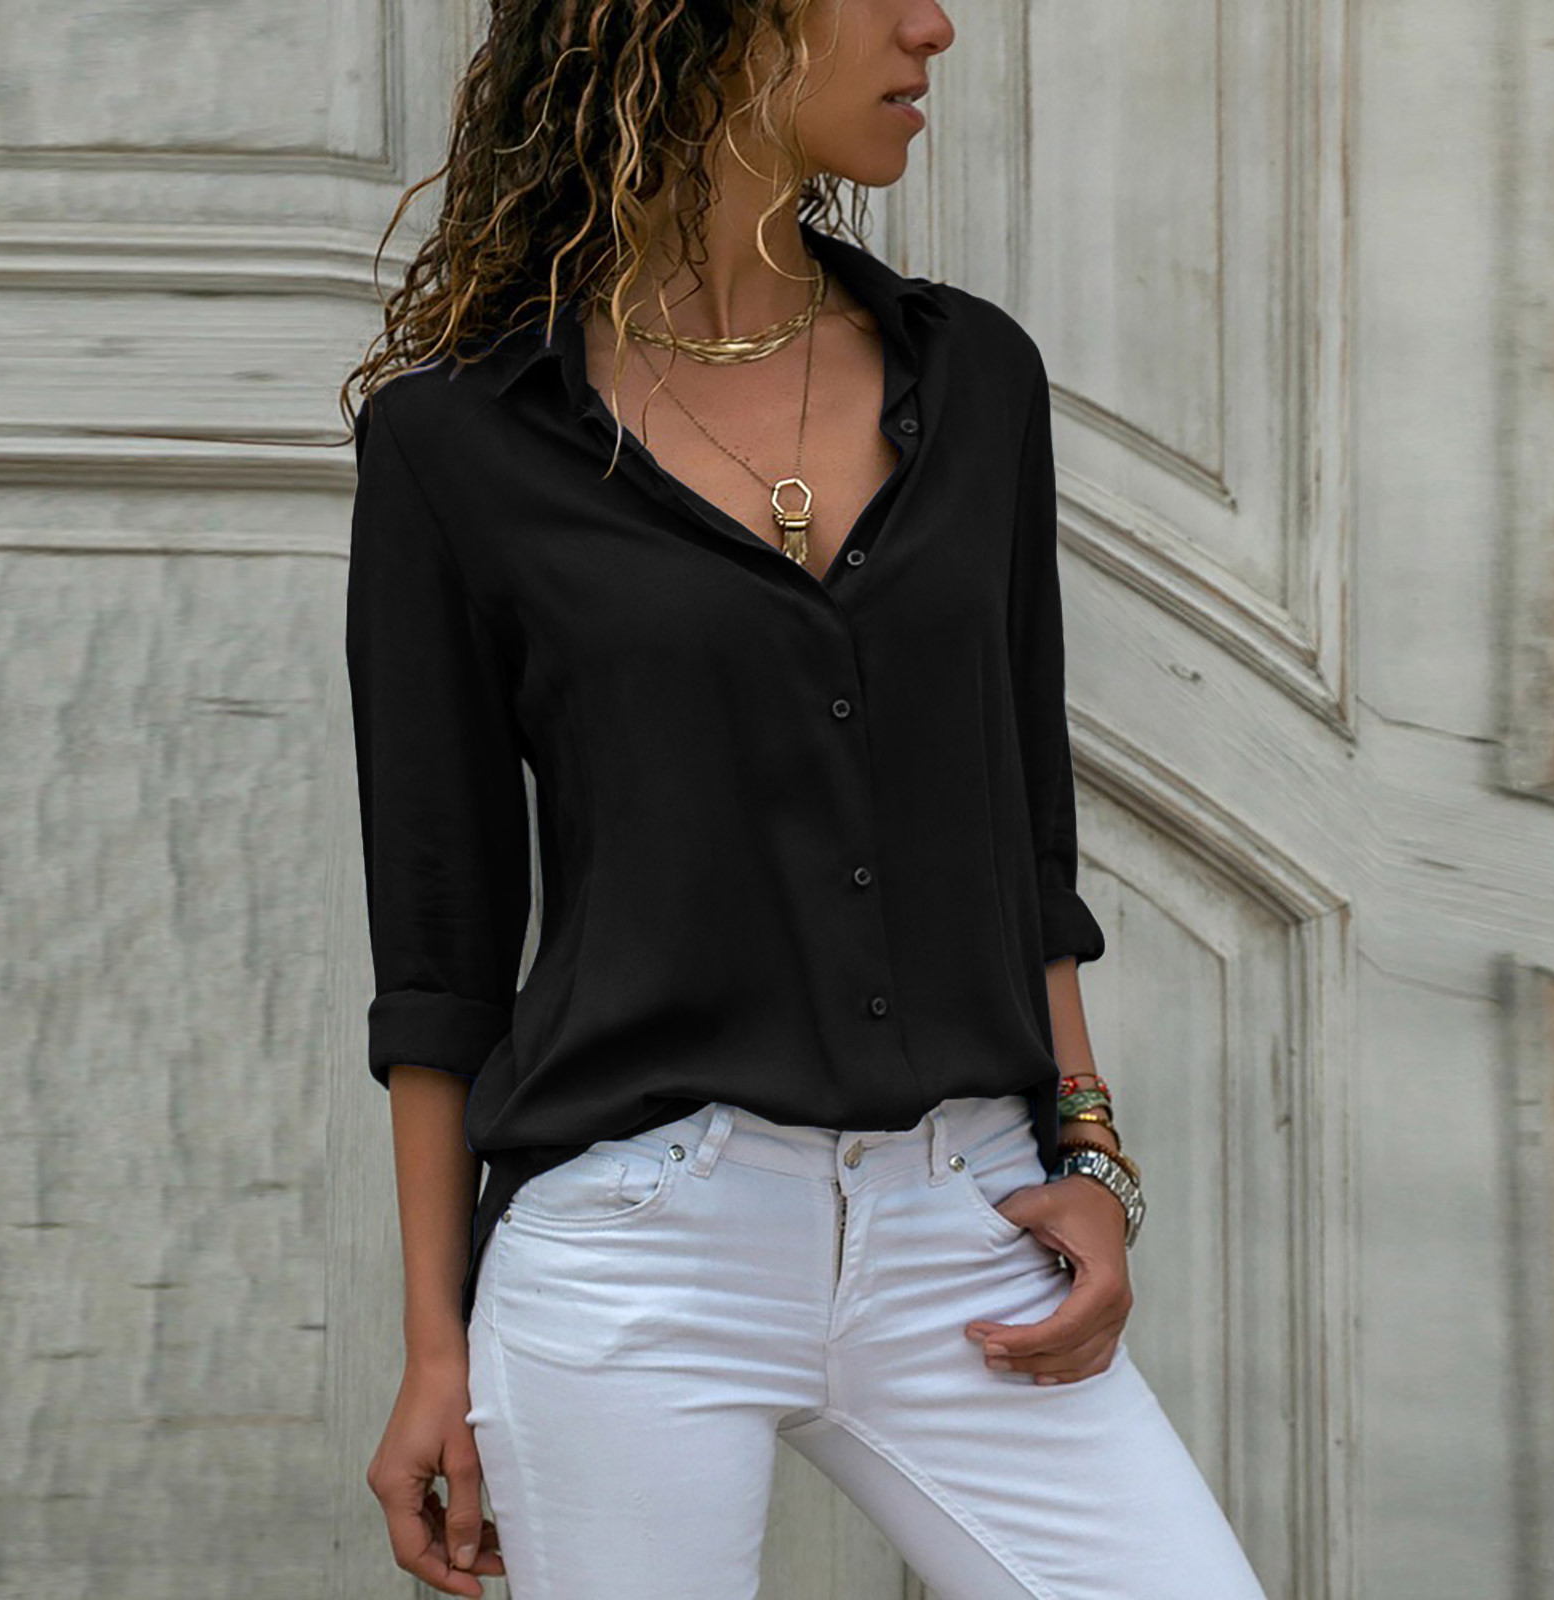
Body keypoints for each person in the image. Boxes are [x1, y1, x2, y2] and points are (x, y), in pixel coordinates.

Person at [339, 3, 1272, 1598]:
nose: (935, 25)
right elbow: (441, 945)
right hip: (638, 1252)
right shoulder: (459, 443)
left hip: (965, 1224)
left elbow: (1021, 823)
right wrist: (438, 1346)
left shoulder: (974, 377)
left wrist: (1088, 1152)